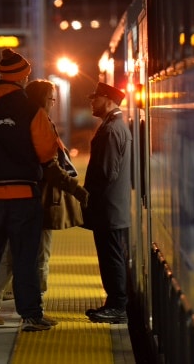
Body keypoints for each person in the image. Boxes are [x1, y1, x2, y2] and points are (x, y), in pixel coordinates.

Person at [0, 49, 60, 333]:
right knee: (26, 256)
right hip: (23, 197)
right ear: (23, 76)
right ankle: (30, 315)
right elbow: (46, 150)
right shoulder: (30, 107)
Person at [0, 79, 89, 325]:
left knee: (10, 257)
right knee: (38, 257)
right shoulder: (39, 121)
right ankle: (34, 312)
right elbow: (50, 166)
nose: (54, 103)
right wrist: (77, 190)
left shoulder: (18, 120)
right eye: (52, 98)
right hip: (38, 202)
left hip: (19, 198)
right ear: (43, 99)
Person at [82, 82, 132, 324]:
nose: (92, 102)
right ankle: (113, 304)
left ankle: (117, 307)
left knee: (111, 257)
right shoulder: (113, 126)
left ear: (109, 100)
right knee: (110, 256)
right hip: (112, 207)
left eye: (96, 98)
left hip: (109, 207)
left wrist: (86, 196)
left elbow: (106, 172)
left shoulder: (112, 130)